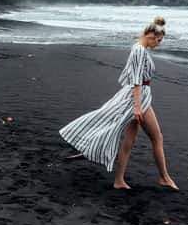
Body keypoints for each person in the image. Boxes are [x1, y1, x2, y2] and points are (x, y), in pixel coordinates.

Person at [59, 16, 179, 190]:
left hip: (139, 96)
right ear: (151, 36)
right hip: (138, 98)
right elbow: (137, 80)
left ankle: (119, 179)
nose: (159, 44)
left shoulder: (139, 49)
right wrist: (137, 107)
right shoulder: (139, 50)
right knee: (156, 137)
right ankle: (164, 177)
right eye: (159, 40)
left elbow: (131, 77)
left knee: (130, 138)